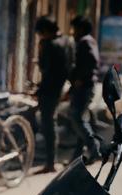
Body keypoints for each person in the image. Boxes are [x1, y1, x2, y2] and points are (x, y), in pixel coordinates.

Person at [34, 16, 74, 173]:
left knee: (49, 125)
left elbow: (46, 69)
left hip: (49, 90)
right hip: (59, 88)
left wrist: (41, 50)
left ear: (45, 31)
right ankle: (51, 160)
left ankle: (50, 163)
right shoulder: (67, 41)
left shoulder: (49, 45)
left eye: (41, 34)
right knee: (51, 122)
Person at [68, 15, 101, 163]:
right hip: (84, 86)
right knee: (79, 120)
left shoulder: (85, 41)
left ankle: (95, 149)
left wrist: (80, 79)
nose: (73, 32)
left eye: (74, 28)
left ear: (80, 29)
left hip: (84, 86)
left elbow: (91, 62)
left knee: (77, 119)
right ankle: (77, 158)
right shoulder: (87, 41)